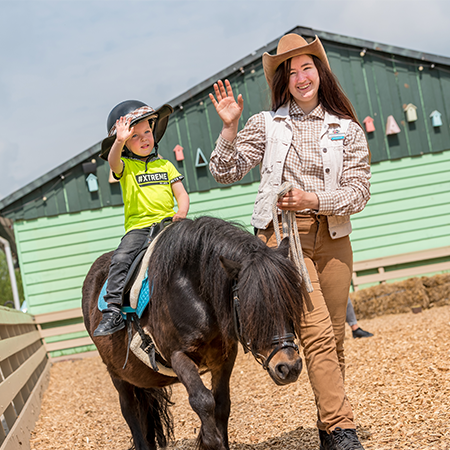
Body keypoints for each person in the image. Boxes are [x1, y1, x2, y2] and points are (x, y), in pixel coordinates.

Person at [209, 34, 371, 450]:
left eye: (307, 67)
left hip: (333, 237)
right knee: (315, 334)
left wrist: (313, 198)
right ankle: (343, 431)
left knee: (333, 340)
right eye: (292, 71)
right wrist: (228, 129)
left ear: (320, 72)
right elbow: (225, 171)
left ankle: (326, 431)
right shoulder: (267, 124)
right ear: (284, 79)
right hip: (284, 239)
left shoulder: (347, 130)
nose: (301, 77)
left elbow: (359, 192)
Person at [94, 100, 190, 337]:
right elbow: (113, 162)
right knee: (120, 259)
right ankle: (113, 310)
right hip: (138, 228)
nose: (145, 138)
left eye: (147, 131)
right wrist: (118, 140)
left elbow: (182, 194)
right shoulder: (125, 166)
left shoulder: (166, 165)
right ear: (126, 144)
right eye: (135, 136)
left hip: (169, 224)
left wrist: (182, 212)